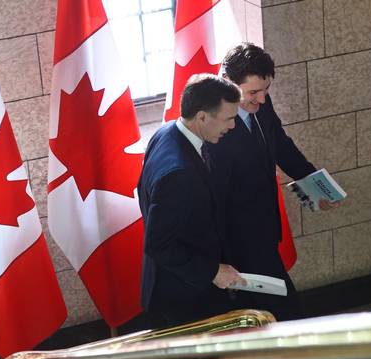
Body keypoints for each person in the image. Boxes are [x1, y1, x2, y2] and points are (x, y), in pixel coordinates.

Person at [207, 43, 338, 322]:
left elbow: (280, 144)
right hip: (237, 243)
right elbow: (211, 196)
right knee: (284, 312)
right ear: (229, 84)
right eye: (254, 92)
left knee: (269, 313)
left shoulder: (260, 104)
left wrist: (313, 183)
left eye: (266, 90)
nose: (262, 99)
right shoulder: (212, 124)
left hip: (264, 231)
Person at [137, 74, 246, 326]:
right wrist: (214, 271)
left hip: (181, 286)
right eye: (229, 118)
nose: (232, 126)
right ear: (202, 117)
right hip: (183, 297)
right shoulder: (178, 174)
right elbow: (158, 245)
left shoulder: (166, 133)